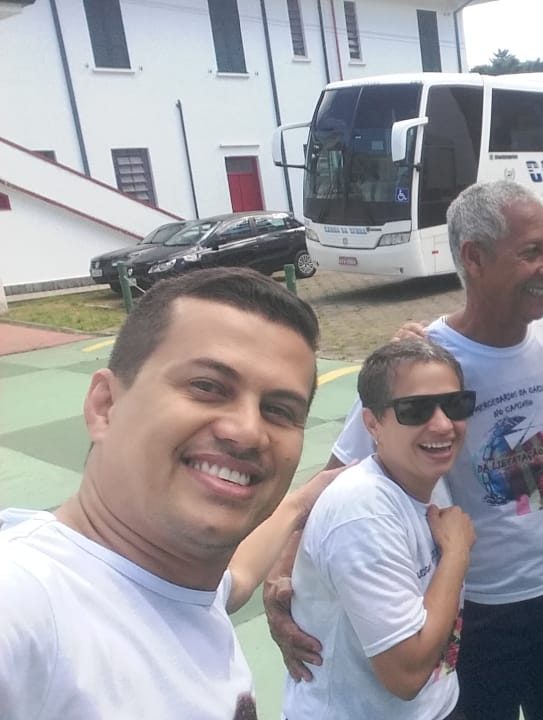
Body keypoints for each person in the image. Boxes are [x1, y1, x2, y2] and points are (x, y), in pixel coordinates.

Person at [268, 180, 543, 720]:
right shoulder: (422, 367)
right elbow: (332, 478)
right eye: (531, 252)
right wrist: (281, 580)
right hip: (473, 612)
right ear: (474, 258)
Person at [0, 267, 336, 718]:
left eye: (278, 410)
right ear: (106, 406)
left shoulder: (179, 584)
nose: (247, 431)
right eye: (207, 387)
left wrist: (302, 500)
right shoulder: (24, 601)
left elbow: (235, 578)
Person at [283, 340, 476, 719]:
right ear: (373, 424)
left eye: (455, 404)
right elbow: (406, 675)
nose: (442, 424)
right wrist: (456, 554)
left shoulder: (423, 476)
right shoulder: (362, 513)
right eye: (415, 410)